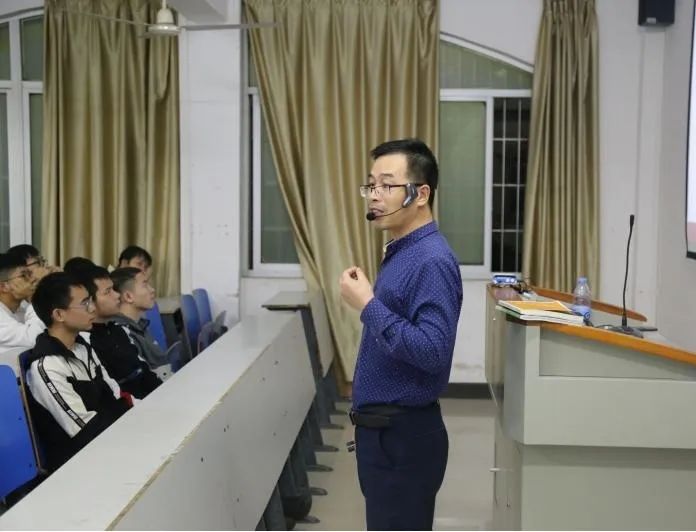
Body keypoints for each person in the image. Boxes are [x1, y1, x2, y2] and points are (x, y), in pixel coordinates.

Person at [339, 138, 463, 531]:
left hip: (403, 436)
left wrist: (367, 304)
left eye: (388, 185)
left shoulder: (431, 260)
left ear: (421, 194)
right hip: (385, 435)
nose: (375, 195)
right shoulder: (403, 251)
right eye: (371, 185)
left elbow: (432, 351)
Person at [24, 272, 133, 472]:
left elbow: (113, 396)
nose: (92, 308)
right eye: (84, 303)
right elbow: (85, 431)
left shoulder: (82, 347)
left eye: (90, 300)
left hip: (110, 443)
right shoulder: (47, 366)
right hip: (78, 465)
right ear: (59, 315)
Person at [81, 266, 161, 398]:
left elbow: (144, 371)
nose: (117, 295)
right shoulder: (87, 341)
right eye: (108, 292)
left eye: (113, 289)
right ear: (89, 302)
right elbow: (114, 392)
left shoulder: (117, 329)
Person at [109, 267, 170, 374]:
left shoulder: (140, 325)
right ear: (128, 296)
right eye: (145, 285)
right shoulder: (123, 334)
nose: (152, 290)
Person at [0, 253, 45, 370]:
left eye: (30, 274)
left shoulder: (22, 308)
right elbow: (35, 339)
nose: (33, 279)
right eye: (24, 275)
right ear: (4, 286)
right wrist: (33, 299)